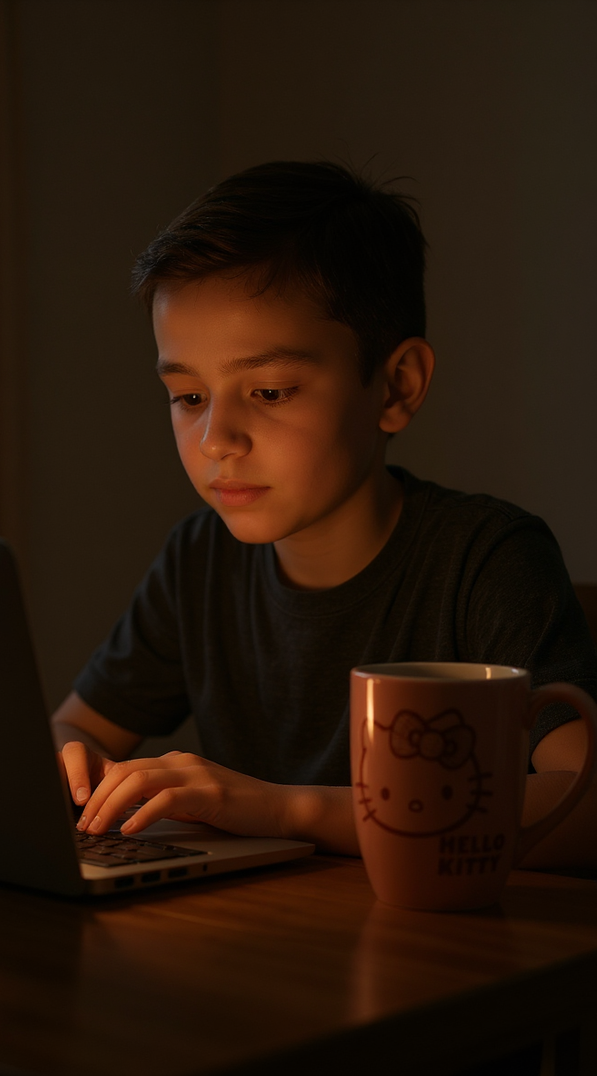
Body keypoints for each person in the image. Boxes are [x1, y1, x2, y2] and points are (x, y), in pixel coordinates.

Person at [51, 160, 597, 870]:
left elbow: (585, 804)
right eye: (188, 397)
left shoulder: (485, 559)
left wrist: (284, 809)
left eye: (271, 391)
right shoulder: (199, 561)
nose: (217, 439)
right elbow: (76, 726)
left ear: (396, 387)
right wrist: (77, 768)